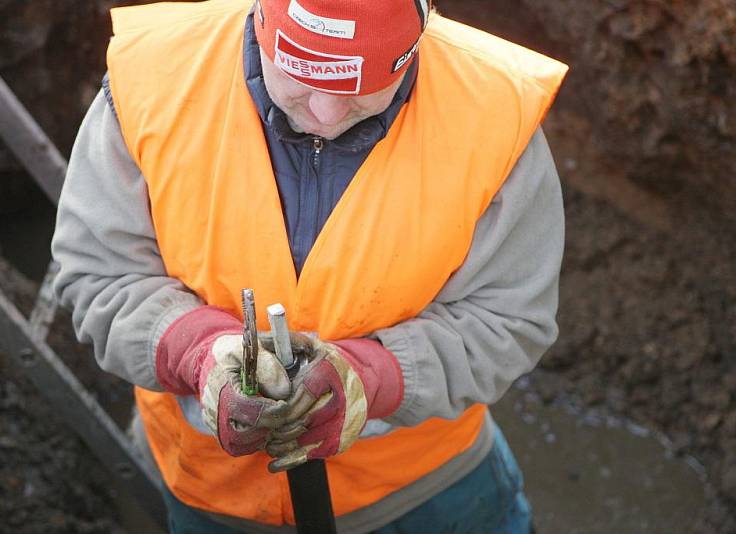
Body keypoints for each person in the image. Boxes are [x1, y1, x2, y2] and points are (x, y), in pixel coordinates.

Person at [51, 0, 568, 531]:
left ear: (415, 48)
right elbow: (100, 274)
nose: (324, 112)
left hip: (425, 491)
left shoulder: (496, 115)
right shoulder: (154, 77)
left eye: (357, 87)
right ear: (259, 22)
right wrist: (200, 356)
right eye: (300, 75)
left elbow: (507, 319)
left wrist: (374, 379)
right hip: (213, 491)